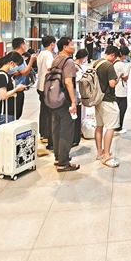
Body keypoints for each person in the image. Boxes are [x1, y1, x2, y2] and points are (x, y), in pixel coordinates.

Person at [0, 52, 25, 175]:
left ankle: (0, 163)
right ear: (11, 63)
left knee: (3, 138)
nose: (17, 68)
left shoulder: (5, 75)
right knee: (0, 139)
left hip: (8, 111)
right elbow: (3, 95)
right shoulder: (1, 76)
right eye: (17, 65)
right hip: (4, 112)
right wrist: (16, 89)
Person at [50, 38, 80, 172]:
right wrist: (73, 102)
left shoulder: (56, 59)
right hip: (65, 100)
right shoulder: (68, 61)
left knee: (56, 128)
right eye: (71, 45)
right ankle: (63, 163)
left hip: (53, 99)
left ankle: (58, 157)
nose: (74, 47)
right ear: (64, 47)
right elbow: (68, 82)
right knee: (66, 131)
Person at [94, 46, 120, 167]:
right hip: (108, 100)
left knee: (99, 126)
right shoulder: (109, 66)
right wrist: (118, 78)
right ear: (113, 55)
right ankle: (107, 156)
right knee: (111, 127)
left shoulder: (96, 63)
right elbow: (112, 84)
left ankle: (100, 151)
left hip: (97, 99)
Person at [36, 35, 56, 149]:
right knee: (49, 113)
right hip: (46, 86)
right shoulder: (48, 54)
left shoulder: (41, 54)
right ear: (52, 44)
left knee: (43, 111)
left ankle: (43, 134)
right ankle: (48, 135)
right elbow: (49, 68)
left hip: (40, 86)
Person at [10, 38, 35, 118]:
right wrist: (31, 60)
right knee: (15, 113)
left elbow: (23, 71)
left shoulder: (19, 57)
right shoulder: (15, 57)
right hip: (15, 89)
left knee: (18, 113)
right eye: (25, 44)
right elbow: (24, 72)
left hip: (20, 88)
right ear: (22, 45)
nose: (26, 46)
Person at [113, 46, 131, 135]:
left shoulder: (115, 61)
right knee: (122, 108)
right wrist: (129, 68)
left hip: (116, 89)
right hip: (120, 89)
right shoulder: (120, 64)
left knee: (118, 107)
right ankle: (118, 127)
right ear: (123, 55)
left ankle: (116, 125)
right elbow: (125, 78)